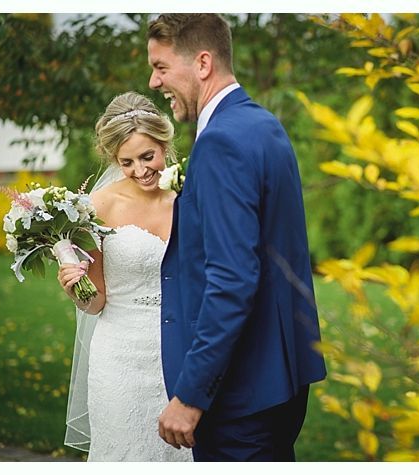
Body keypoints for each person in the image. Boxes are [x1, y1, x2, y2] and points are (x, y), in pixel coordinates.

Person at [147, 14, 326, 461]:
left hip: (240, 396)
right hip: (279, 381)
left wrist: (191, 396)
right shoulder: (263, 124)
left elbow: (231, 279)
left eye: (162, 67)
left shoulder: (221, 141)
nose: (154, 82)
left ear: (203, 63)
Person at [57, 91, 192, 462]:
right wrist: (75, 288)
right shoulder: (98, 207)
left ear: (165, 144)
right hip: (119, 358)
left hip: (181, 350)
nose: (140, 170)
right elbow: (96, 301)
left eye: (148, 156)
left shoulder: (189, 196)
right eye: (126, 162)